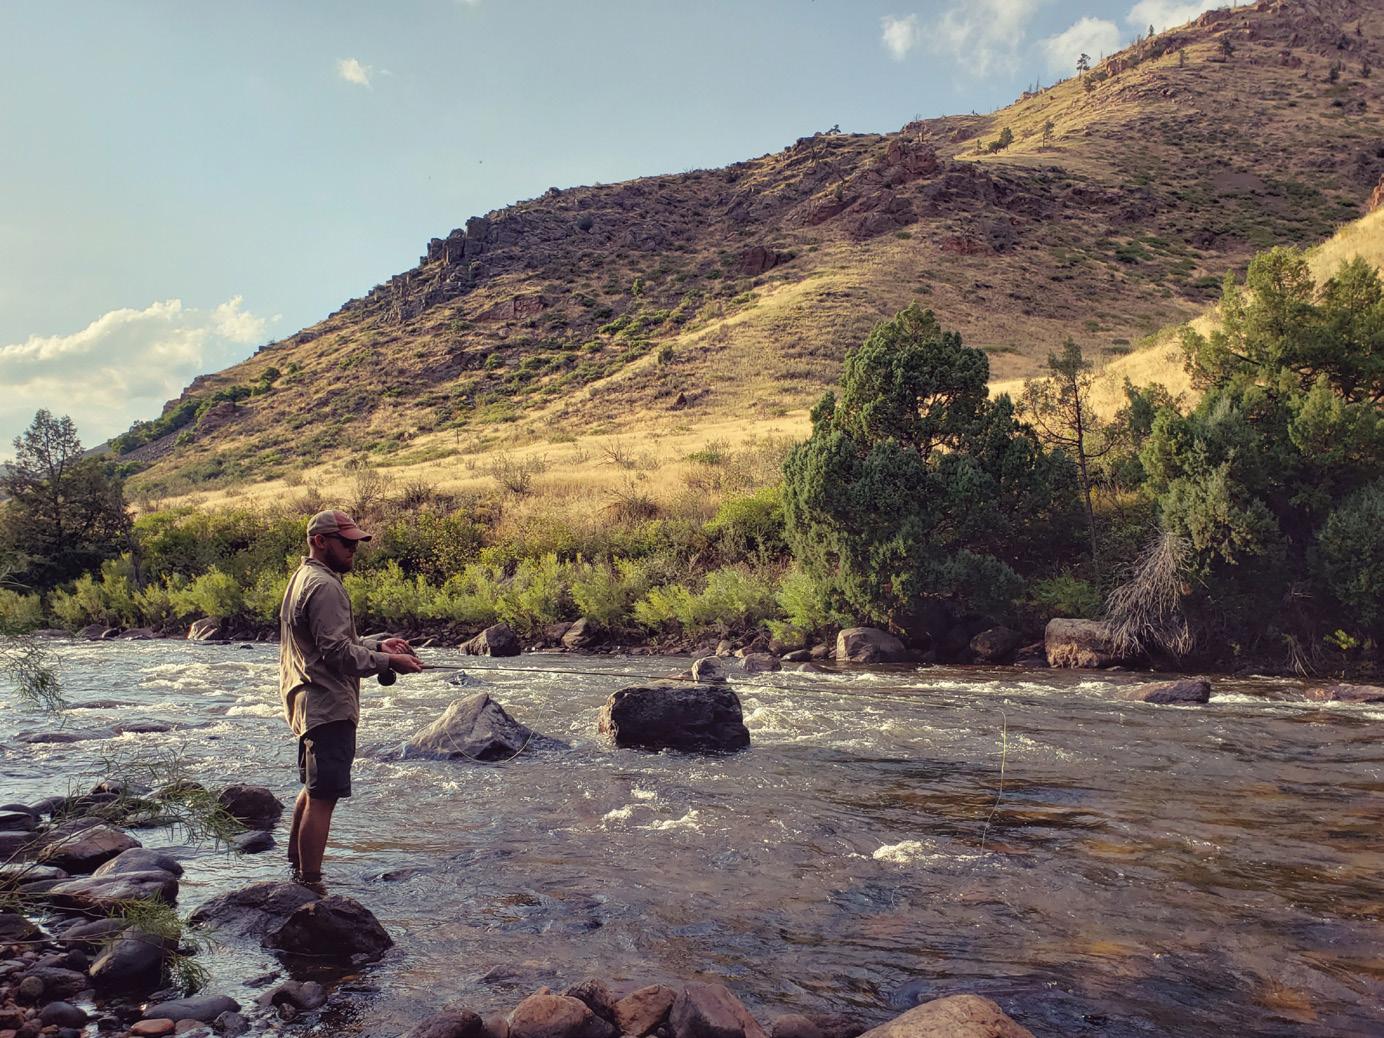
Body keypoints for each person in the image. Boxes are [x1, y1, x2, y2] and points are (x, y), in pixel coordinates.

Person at [279, 509, 423, 891]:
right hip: (328, 705)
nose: (353, 550)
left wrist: (377, 645)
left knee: (312, 790)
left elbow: (332, 642)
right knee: (323, 797)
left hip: (308, 703)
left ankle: (295, 873)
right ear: (320, 541)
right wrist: (389, 662)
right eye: (346, 543)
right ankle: (310, 885)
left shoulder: (302, 577)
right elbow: (337, 654)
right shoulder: (324, 586)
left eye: (355, 543)